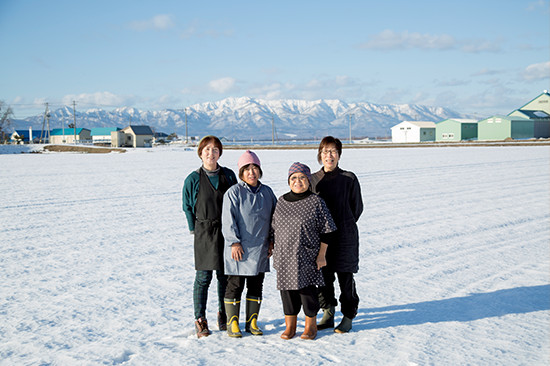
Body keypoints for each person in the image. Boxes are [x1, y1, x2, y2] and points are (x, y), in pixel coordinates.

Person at [271, 162, 337, 340]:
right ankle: (290, 326)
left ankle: (310, 326)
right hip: (284, 255)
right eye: (293, 177)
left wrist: (322, 255)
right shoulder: (281, 201)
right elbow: (274, 227)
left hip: (306, 255)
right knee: (287, 292)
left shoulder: (316, 201)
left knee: (306, 292)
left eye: (302, 177)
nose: (297, 181)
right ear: (288, 181)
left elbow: (328, 230)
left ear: (308, 180)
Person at [182, 135, 237, 338]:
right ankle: (200, 319)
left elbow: (236, 202)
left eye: (215, 150)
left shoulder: (229, 176)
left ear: (220, 153)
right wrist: (193, 229)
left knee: (224, 276)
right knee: (203, 277)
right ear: (200, 153)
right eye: (207, 149)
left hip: (226, 230)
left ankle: (224, 314)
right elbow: (187, 206)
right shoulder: (193, 179)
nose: (211, 153)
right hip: (203, 231)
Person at [310, 136, 363, 333]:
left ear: (339, 155)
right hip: (321, 239)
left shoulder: (349, 178)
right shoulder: (313, 179)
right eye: (325, 151)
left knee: (345, 277)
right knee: (323, 277)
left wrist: (343, 224)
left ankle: (348, 316)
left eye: (333, 151)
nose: (329, 155)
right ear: (320, 155)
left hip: (345, 237)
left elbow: (356, 208)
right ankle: (328, 312)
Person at [221, 150, 277, 338]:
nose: (251, 172)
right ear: (241, 172)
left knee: (256, 285)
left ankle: (252, 321)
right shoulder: (234, 193)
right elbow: (228, 220)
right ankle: (232, 322)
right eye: (247, 169)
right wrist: (234, 242)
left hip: (260, 247)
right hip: (240, 247)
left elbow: (274, 219)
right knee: (235, 285)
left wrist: (272, 241)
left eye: (254, 168)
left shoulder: (267, 192)